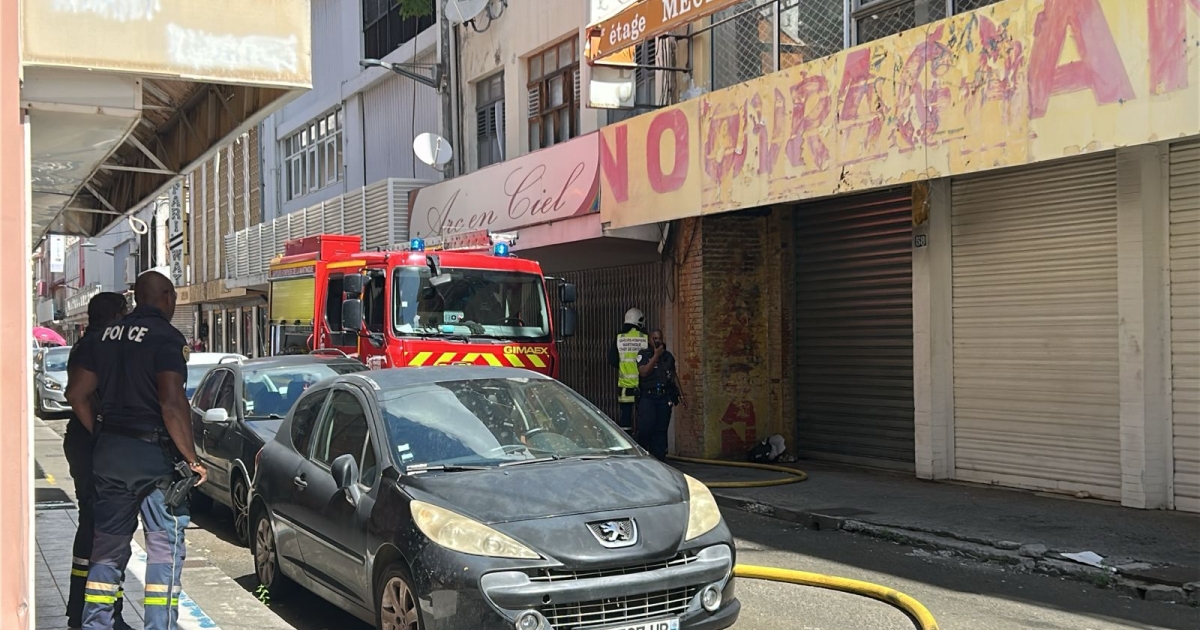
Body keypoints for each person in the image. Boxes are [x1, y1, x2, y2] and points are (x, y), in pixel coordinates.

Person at [65, 271, 208, 630]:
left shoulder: (105, 336)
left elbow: (77, 394)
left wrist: (100, 432)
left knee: (107, 549)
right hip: (154, 462)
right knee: (163, 549)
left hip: (110, 457)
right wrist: (191, 459)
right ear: (167, 297)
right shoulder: (165, 337)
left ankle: (95, 624)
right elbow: (172, 403)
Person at [63, 292, 130, 630]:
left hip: (84, 443)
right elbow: (75, 395)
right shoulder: (98, 345)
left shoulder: (89, 344)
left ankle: (82, 606)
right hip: (92, 445)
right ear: (116, 315)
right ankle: (98, 612)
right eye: (126, 311)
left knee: (92, 524)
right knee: (105, 529)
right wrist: (99, 431)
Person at [635, 329, 682, 462]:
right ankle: (643, 458)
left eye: (659, 338)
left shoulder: (668, 356)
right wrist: (655, 356)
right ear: (650, 340)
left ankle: (660, 460)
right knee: (646, 428)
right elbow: (643, 372)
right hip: (648, 397)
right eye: (654, 338)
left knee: (661, 431)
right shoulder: (644, 354)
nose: (657, 340)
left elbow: (673, 375)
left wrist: (678, 394)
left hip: (663, 398)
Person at [607, 308, 648, 433]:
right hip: (643, 385)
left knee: (625, 416)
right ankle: (643, 443)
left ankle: (627, 442)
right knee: (644, 416)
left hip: (625, 386)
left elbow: (612, 359)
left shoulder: (620, 338)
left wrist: (624, 367)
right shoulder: (645, 338)